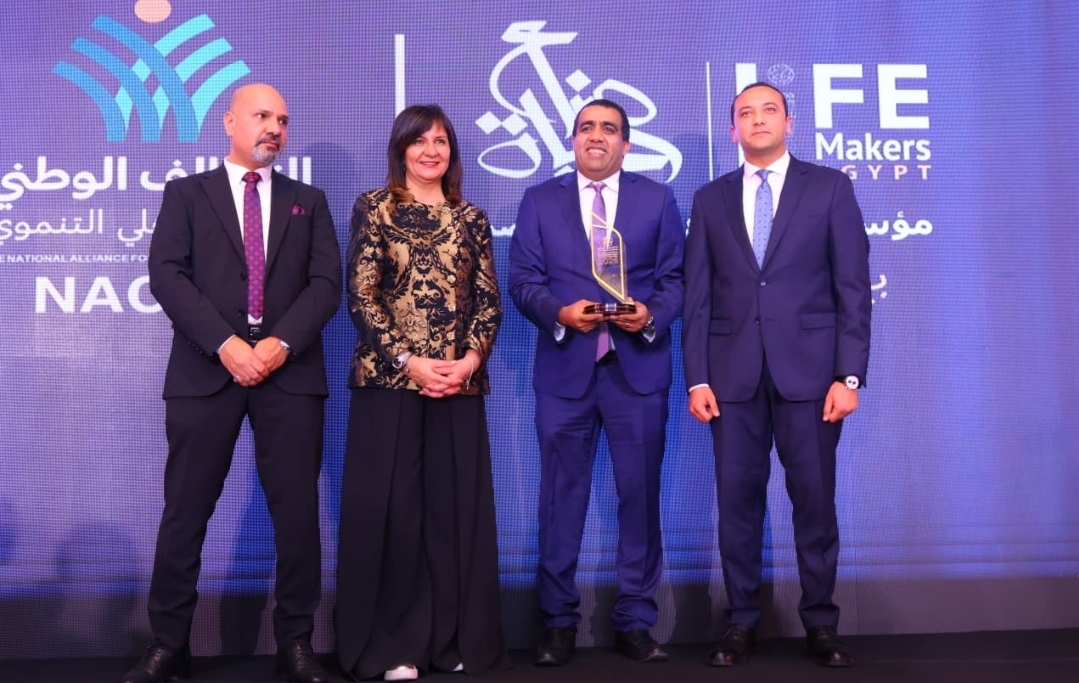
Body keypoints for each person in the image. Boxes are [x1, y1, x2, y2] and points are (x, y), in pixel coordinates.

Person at [124, 83, 341, 683]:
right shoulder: (186, 194)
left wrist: (279, 344)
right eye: (263, 115)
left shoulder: (309, 201)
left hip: (289, 375)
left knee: (297, 516)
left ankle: (296, 644)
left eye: (284, 120)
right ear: (229, 122)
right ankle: (169, 645)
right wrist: (226, 345)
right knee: (185, 513)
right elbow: (167, 275)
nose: (275, 128)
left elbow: (327, 284)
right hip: (205, 372)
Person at [683, 82, 871, 668]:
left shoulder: (830, 187)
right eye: (746, 113)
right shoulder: (710, 199)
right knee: (737, 505)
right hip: (730, 379)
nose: (758, 120)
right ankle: (741, 621)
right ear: (733, 128)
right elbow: (697, 298)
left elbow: (853, 290)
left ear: (789, 122)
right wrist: (696, 378)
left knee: (814, 502)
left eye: (769, 110)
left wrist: (849, 376)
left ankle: (821, 622)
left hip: (812, 378)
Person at [334, 104, 510, 682]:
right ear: (401, 149)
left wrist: (469, 361)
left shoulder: (471, 217)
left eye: (441, 141)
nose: (431, 151)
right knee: (395, 514)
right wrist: (409, 362)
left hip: (458, 385)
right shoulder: (374, 207)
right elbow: (361, 296)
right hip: (390, 383)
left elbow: (488, 301)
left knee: (451, 516)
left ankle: (449, 640)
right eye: (420, 141)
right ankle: (394, 648)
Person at [508, 99, 684, 666]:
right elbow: (523, 280)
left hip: (638, 372)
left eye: (609, 129)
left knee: (639, 498)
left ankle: (635, 620)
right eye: (587, 128)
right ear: (573, 140)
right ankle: (558, 623)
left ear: (626, 145)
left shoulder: (657, 199)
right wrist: (558, 314)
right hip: (566, 371)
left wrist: (650, 316)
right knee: (561, 499)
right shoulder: (540, 201)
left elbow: (677, 279)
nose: (597, 136)